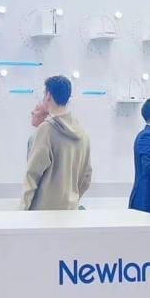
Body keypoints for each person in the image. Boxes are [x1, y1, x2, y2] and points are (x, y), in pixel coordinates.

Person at [23, 76, 92, 211]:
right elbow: (87, 177)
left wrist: (23, 210)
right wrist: (73, 198)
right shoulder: (83, 134)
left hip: (44, 214)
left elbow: (32, 175)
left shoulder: (46, 130)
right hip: (70, 211)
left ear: (48, 95)